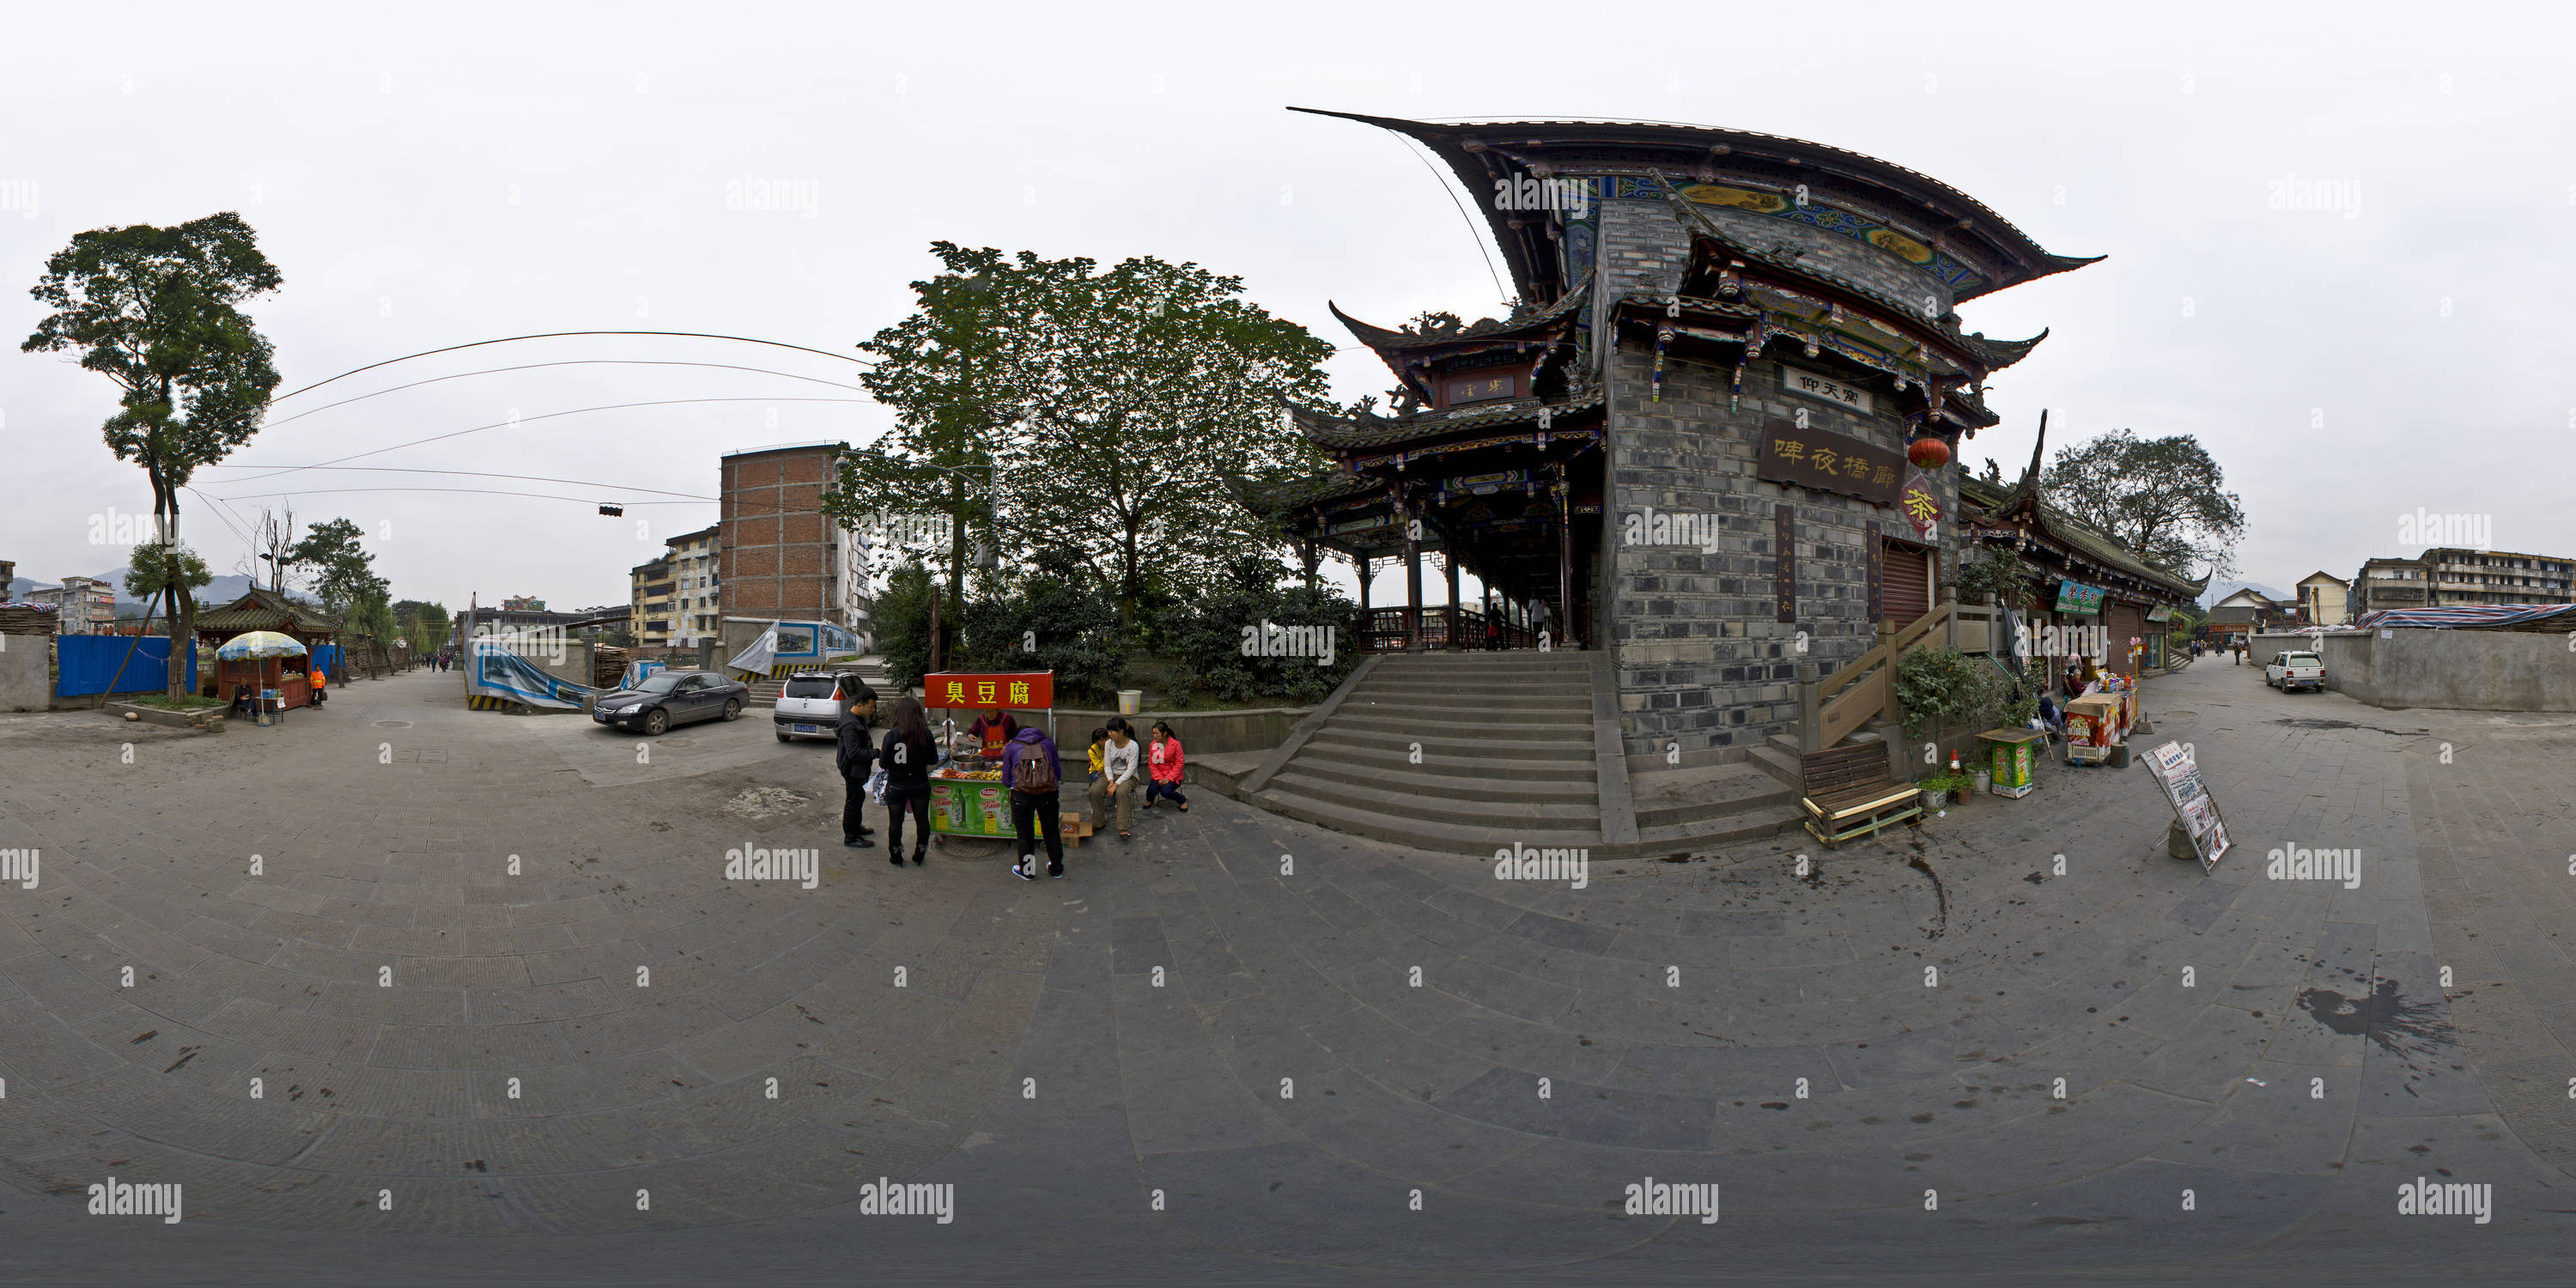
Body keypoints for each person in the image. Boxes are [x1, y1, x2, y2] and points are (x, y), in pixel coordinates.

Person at [1004, 723, 1064, 881]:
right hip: (1048, 795)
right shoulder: (1048, 743)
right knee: (1051, 832)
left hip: (1021, 796)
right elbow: (1057, 772)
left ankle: (1028, 871)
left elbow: (1005, 780)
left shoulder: (1011, 747)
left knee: (1025, 835)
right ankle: (1056, 869)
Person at [879, 696, 936, 866]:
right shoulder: (925, 734)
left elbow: (883, 763)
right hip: (920, 783)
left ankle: (895, 854)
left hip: (896, 784)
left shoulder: (891, 735)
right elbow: (933, 759)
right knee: (922, 819)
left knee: (895, 821)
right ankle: (921, 851)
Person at [835, 684, 880, 849]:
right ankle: (851, 837)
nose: (873, 710)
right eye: (871, 706)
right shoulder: (850, 725)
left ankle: (856, 827)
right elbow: (854, 753)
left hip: (859, 769)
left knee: (859, 798)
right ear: (860, 704)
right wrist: (875, 753)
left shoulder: (857, 716)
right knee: (853, 801)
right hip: (852, 770)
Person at [1089, 718, 1141, 841]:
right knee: (1094, 791)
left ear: (1121, 731)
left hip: (1129, 777)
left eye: (1112, 731)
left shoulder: (1133, 746)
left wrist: (1116, 785)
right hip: (1110, 775)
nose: (1109, 734)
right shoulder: (1109, 743)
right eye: (1109, 731)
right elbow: (1107, 764)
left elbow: (1131, 769)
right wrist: (1111, 781)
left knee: (1122, 792)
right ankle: (1099, 822)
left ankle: (1123, 828)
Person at [1141, 720, 1188, 812]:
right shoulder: (1153, 745)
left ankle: (1182, 800)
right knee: (1151, 790)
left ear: (1165, 733)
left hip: (1174, 775)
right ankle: (1149, 799)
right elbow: (1152, 764)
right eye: (1153, 734)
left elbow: (1179, 763)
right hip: (1159, 774)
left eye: (1157, 733)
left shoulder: (1176, 744)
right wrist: (1159, 777)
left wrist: (1169, 778)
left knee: (1165, 792)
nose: (1154, 736)